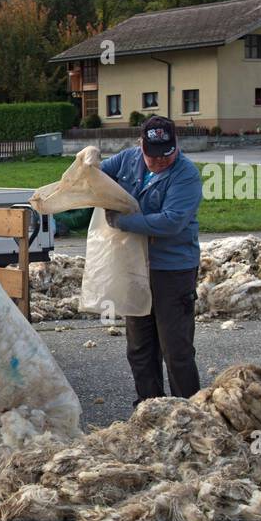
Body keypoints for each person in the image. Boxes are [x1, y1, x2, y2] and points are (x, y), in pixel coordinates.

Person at [99, 116, 203, 402]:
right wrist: (87, 163)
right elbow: (95, 176)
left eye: (166, 155)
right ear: (140, 145)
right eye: (152, 155)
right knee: (140, 346)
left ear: (176, 145)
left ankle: (188, 412)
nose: (158, 161)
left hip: (172, 269)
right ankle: (149, 408)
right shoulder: (128, 159)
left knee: (176, 349)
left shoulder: (186, 174)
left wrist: (123, 222)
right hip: (135, 267)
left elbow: (171, 222)